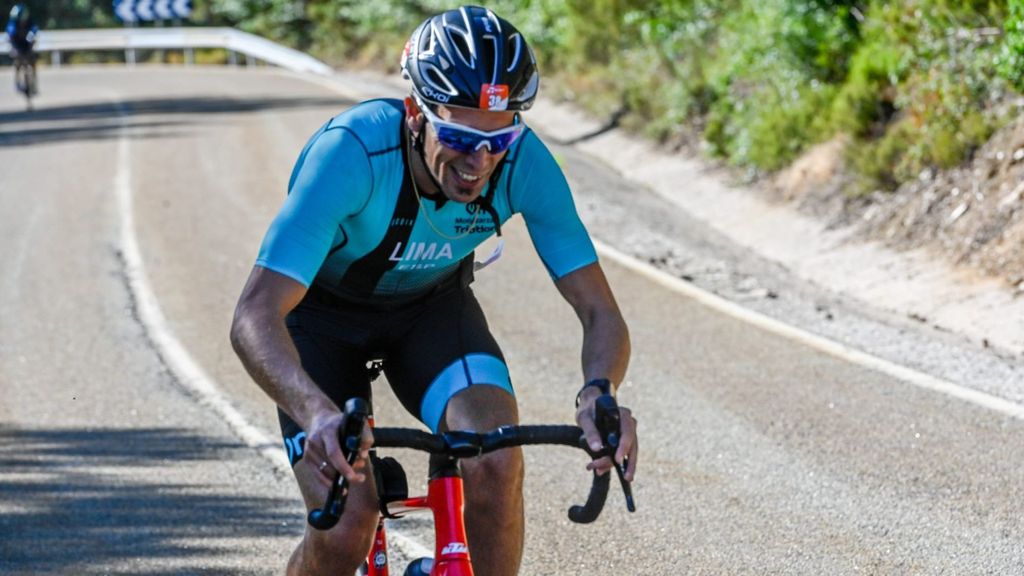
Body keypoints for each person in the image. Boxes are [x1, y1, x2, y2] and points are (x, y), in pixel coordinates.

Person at [230, 6, 638, 575]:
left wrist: (599, 392)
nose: (479, 162)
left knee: (496, 462)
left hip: (431, 313)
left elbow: (600, 310)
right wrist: (314, 413)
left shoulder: (523, 162)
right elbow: (253, 316)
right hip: (319, 322)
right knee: (350, 518)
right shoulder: (352, 154)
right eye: (458, 136)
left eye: (499, 139)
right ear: (415, 112)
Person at [6, 3, 38, 95]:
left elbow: (34, 29)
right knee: (17, 63)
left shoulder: (29, 21)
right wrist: (14, 49)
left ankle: (34, 83)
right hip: (17, 46)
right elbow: (10, 34)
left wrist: (32, 35)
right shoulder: (13, 23)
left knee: (32, 62)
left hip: (27, 46)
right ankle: (17, 82)